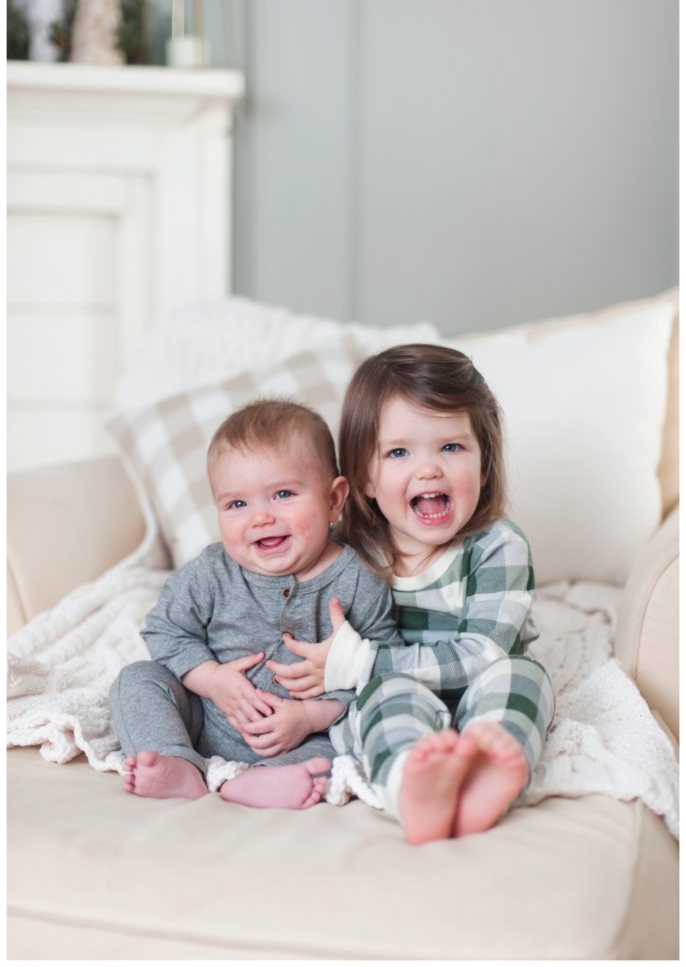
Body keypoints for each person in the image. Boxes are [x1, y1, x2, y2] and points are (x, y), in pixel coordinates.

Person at [268, 344, 556, 843]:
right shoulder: (349, 553)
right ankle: (412, 786)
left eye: (451, 447)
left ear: (485, 465)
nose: (429, 470)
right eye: (399, 452)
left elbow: (484, 654)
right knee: (382, 701)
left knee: (523, 676)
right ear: (365, 478)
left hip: (482, 680)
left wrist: (362, 664)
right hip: (401, 689)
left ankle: (489, 769)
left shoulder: (496, 546)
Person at [109, 398, 401, 810]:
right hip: (209, 716)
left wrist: (312, 717)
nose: (260, 517)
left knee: (357, 739)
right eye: (237, 504)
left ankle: (264, 782)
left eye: (282, 494)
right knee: (136, 680)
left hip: (304, 734)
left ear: (334, 500)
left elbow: (383, 670)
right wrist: (212, 681)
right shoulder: (212, 572)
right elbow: (165, 629)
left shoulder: (359, 580)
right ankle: (178, 763)